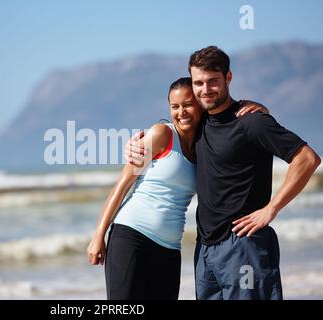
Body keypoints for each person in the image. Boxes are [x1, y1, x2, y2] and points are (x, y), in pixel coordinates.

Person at [125, 46, 321, 300]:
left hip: (244, 245)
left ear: (228, 78)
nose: (205, 90)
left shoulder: (251, 122)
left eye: (213, 82)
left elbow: (307, 159)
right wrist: (135, 142)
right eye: (199, 83)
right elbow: (170, 127)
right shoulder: (199, 123)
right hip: (205, 250)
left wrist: (271, 209)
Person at [87, 77, 266, 300]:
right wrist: (98, 236)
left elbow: (234, 126)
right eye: (175, 106)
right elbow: (122, 186)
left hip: (170, 249)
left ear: (200, 104)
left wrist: (261, 109)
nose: (181, 112)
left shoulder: (205, 145)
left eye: (188, 104)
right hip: (131, 237)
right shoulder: (162, 134)